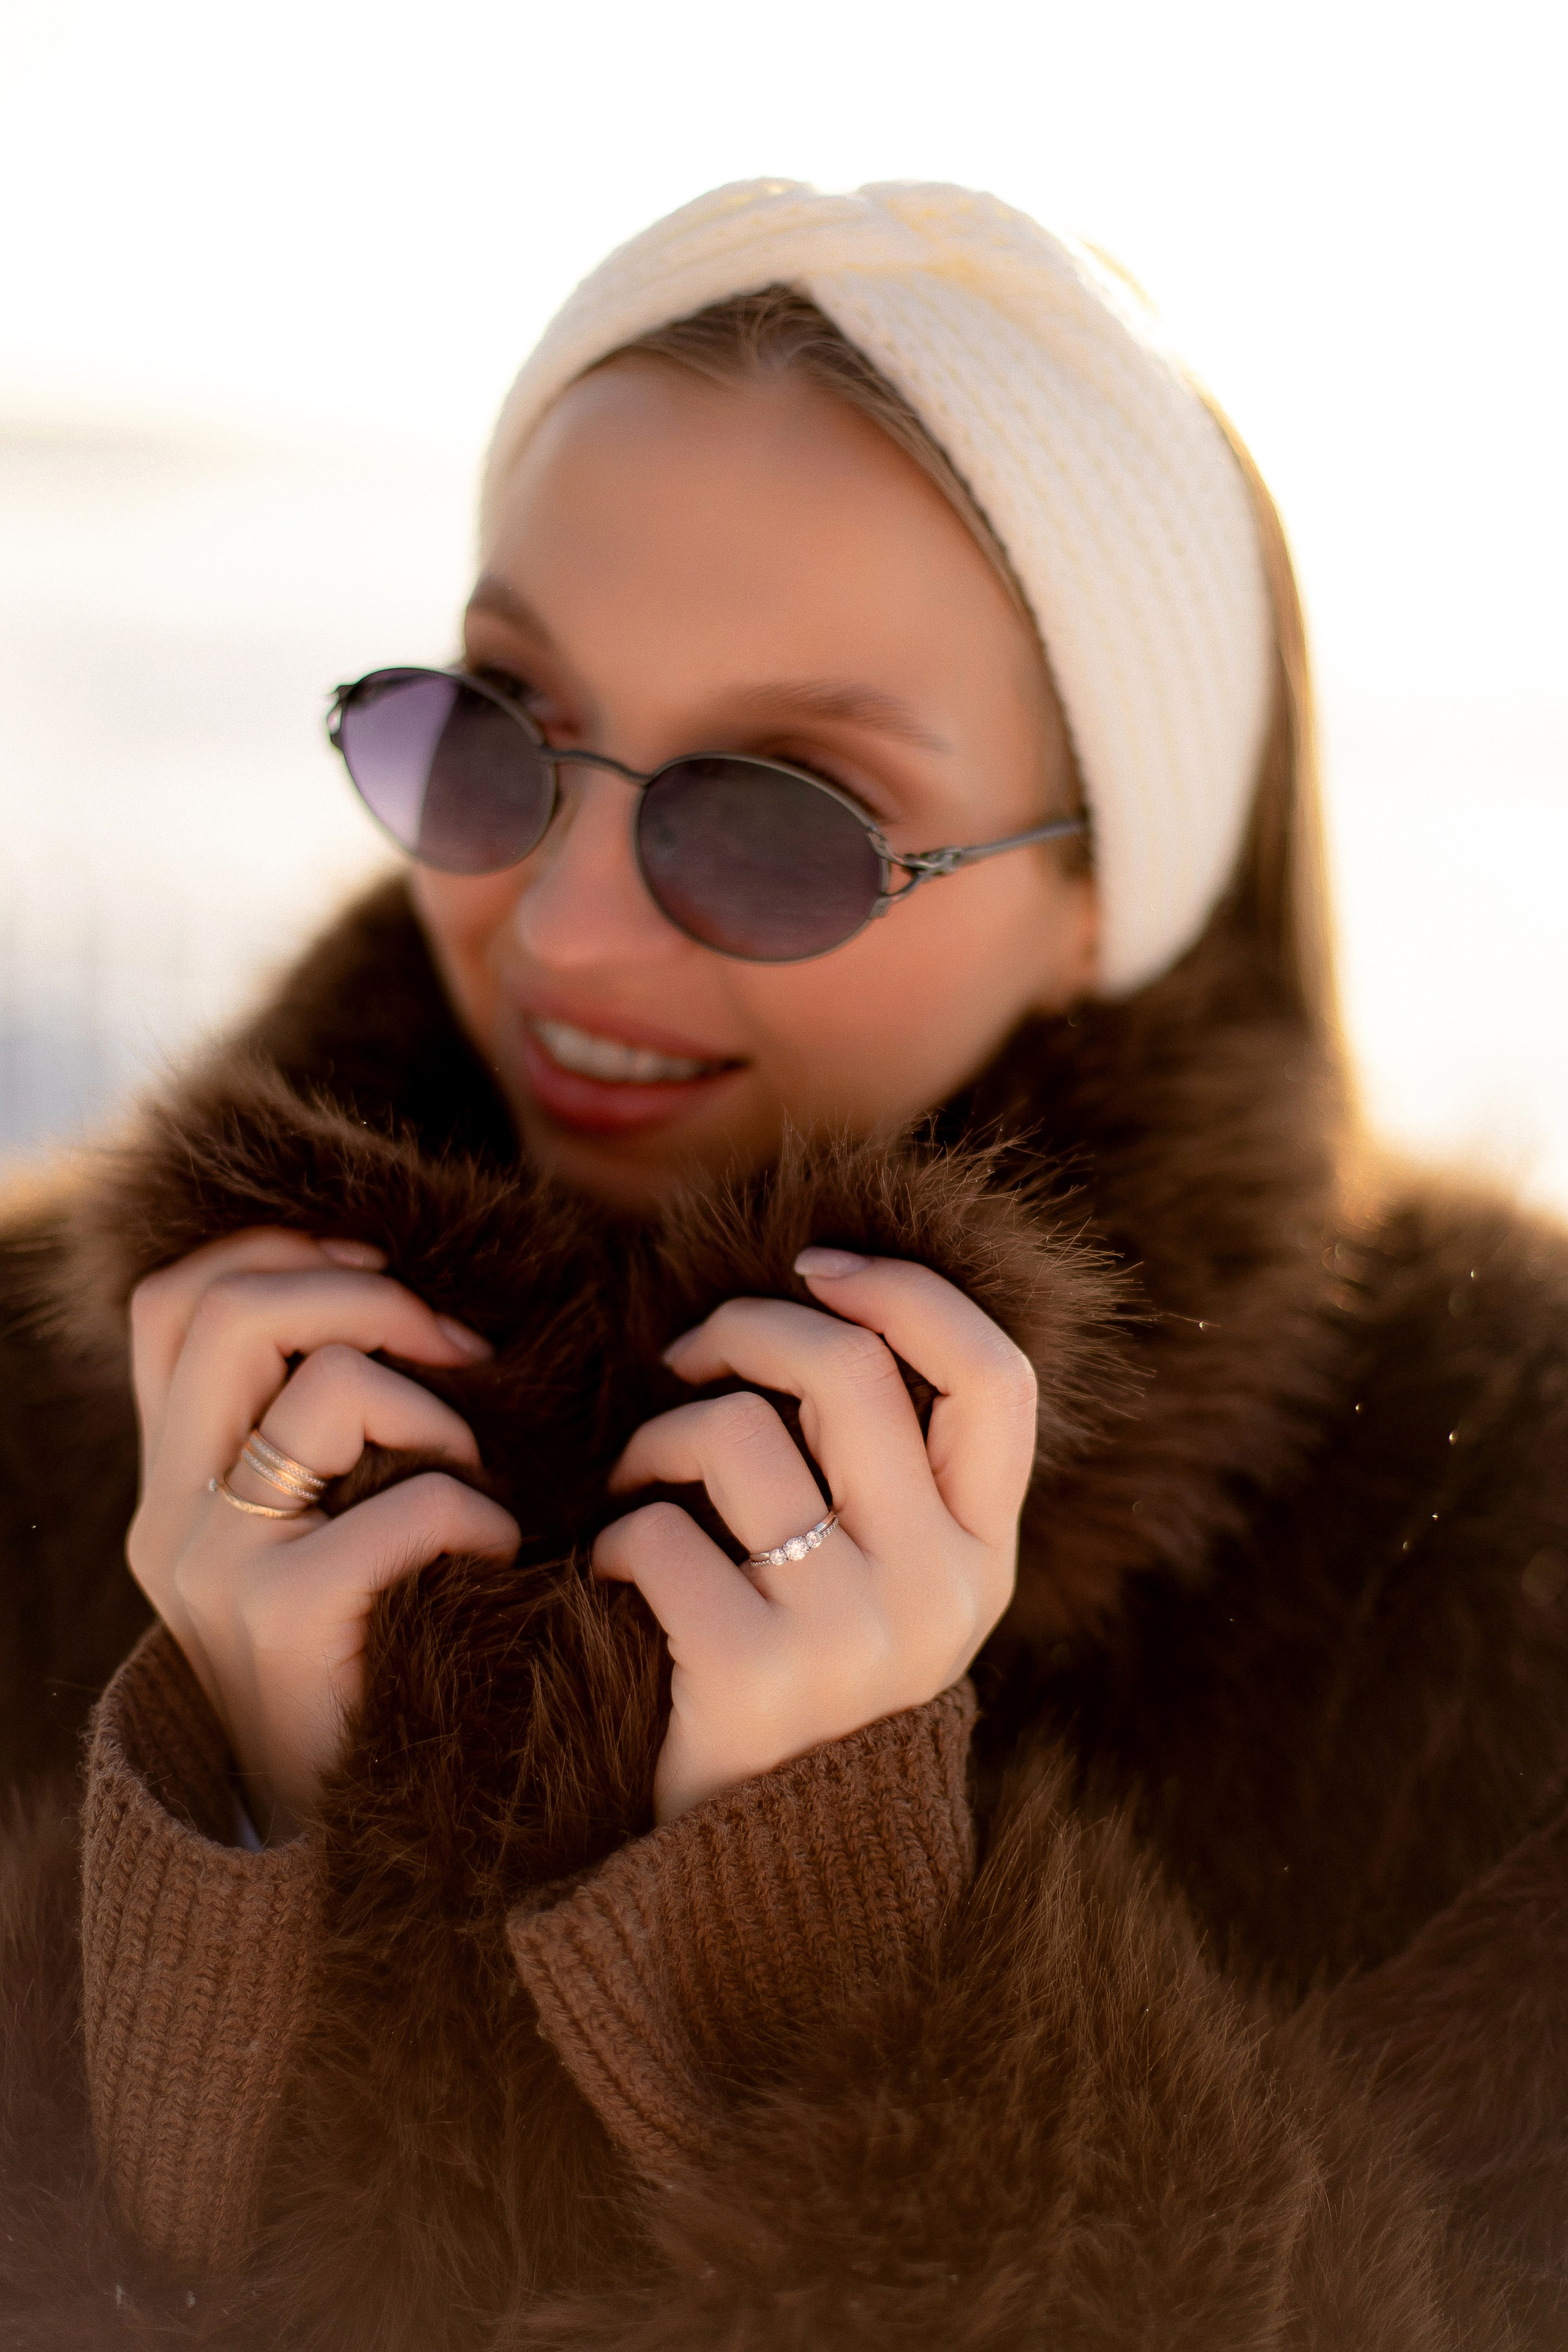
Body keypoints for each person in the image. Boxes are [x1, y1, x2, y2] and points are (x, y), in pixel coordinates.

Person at [2, 180, 1566, 2348]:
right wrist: (231, 1827)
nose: (561, 933)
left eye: (775, 819)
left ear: (1115, 885)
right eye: (503, 730)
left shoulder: (1494, 1552)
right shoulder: (39, 1393)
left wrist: (823, 1959)